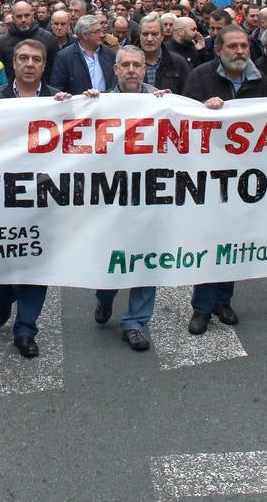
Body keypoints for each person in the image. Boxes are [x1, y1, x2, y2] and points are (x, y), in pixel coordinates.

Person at [0, 38, 73, 358]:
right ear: (14, 63)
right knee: (4, 266)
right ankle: (4, 298)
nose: (30, 64)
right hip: (3, 198)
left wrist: (84, 103)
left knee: (38, 265)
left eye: (36, 59)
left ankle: (26, 329)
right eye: (23, 58)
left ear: (44, 65)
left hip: (45, 200)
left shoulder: (59, 102)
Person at [182, 24, 267, 334]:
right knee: (209, 238)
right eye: (233, 46)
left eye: (244, 46)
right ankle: (202, 307)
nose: (240, 51)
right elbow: (183, 118)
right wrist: (204, 111)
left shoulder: (259, 80)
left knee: (232, 238)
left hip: (244, 174)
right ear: (218, 50)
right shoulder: (201, 77)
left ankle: (223, 300)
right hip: (207, 173)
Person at [90, 45, 169, 352]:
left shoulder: (161, 101)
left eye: (138, 65)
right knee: (110, 262)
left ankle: (135, 322)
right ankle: (104, 297)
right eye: (127, 65)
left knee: (147, 259)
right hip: (112, 199)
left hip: (151, 196)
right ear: (116, 69)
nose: (133, 70)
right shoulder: (99, 103)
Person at [0, 0, 60, 80]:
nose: (23, 20)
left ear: (32, 15)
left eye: (27, 15)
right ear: (13, 18)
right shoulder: (1, 43)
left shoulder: (49, 39)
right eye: (19, 16)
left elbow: (56, 71)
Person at [51, 15, 116, 94]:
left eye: (101, 31)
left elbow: (115, 83)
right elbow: (57, 88)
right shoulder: (64, 57)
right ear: (84, 35)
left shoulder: (109, 54)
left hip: (104, 103)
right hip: (77, 105)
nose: (102, 35)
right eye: (96, 32)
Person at [137, 14, 190, 94]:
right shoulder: (129, 63)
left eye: (154, 34)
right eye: (145, 34)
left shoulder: (178, 63)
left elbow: (188, 96)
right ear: (140, 36)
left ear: (162, 36)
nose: (149, 39)